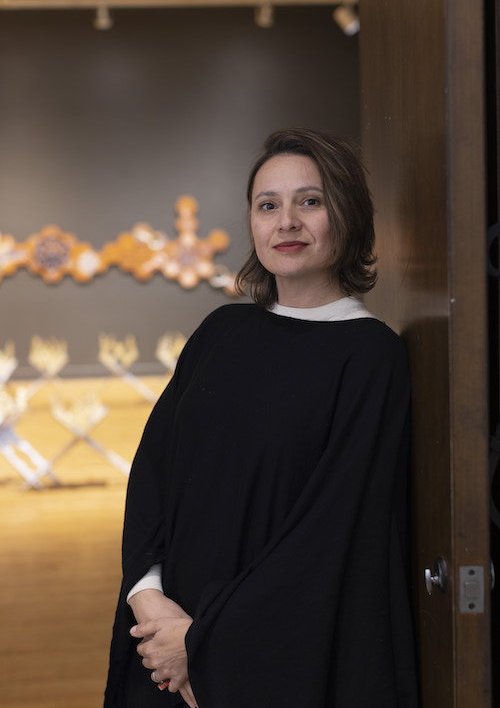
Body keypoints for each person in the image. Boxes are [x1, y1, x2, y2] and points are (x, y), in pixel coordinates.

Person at [104, 127, 419, 707]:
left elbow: (331, 536)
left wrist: (203, 644)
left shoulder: (372, 355)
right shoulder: (221, 331)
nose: (287, 222)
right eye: (267, 205)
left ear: (347, 215)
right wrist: (147, 597)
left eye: (311, 201)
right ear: (251, 222)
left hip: (269, 655)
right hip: (161, 640)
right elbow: (153, 472)